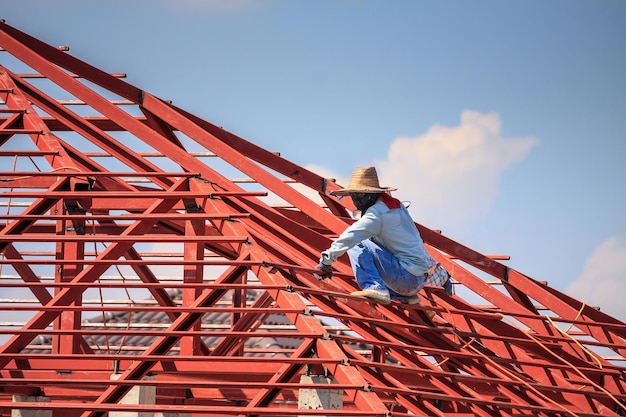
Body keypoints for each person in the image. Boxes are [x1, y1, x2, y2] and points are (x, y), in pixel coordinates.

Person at [315, 166, 453, 305]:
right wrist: (443, 276)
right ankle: (405, 297)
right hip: (416, 279)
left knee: (358, 242)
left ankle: (374, 287)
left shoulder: (376, 214)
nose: (356, 201)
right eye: (353, 196)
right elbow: (415, 243)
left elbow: (350, 236)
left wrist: (326, 261)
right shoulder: (396, 206)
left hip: (405, 278)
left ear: (371, 195)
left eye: (360, 195)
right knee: (374, 243)